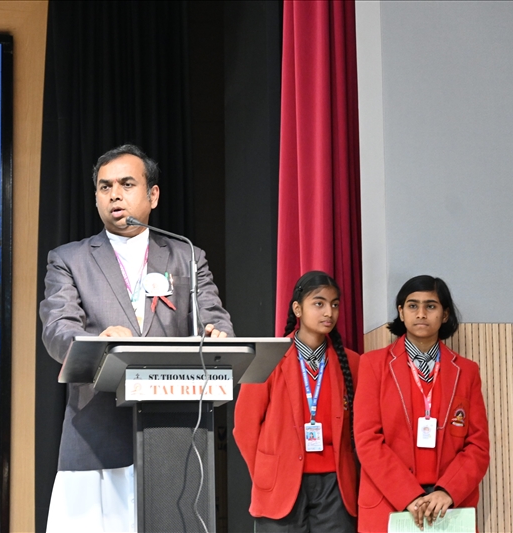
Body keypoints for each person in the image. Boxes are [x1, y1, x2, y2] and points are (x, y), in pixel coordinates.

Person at [39, 144, 233, 532]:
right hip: (96, 436)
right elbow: (58, 329)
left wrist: (218, 335)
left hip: (173, 435)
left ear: (153, 195)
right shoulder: (69, 259)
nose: (115, 194)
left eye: (127, 184)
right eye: (105, 186)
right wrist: (96, 342)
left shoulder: (186, 256)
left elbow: (214, 320)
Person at [353, 275, 490, 532]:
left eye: (431, 306)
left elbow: (478, 445)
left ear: (445, 314)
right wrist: (408, 494)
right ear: (401, 312)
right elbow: (367, 440)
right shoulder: (373, 365)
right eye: (413, 305)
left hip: (448, 505)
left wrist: (448, 491)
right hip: (389, 501)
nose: (421, 313)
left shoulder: (467, 371)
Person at [234, 270, 359, 532]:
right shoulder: (267, 358)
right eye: (319, 303)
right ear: (297, 309)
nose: (329, 312)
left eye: (335, 305)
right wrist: (267, 475)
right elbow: (245, 428)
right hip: (281, 483)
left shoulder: (353, 362)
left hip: (336, 487)